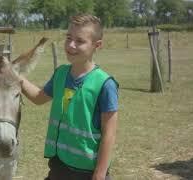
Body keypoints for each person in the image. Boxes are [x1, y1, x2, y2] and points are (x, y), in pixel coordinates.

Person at [19, 14, 118, 180]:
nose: (71, 45)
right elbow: (38, 97)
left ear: (97, 45)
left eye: (80, 41)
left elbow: (109, 134)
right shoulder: (60, 74)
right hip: (58, 167)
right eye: (68, 38)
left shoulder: (105, 84)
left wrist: (100, 174)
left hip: (87, 173)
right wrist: (16, 77)